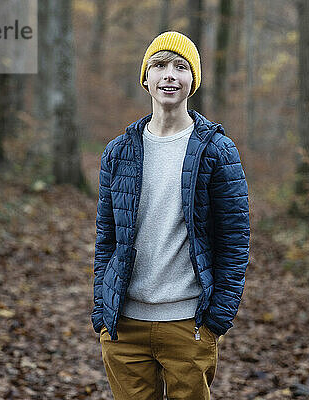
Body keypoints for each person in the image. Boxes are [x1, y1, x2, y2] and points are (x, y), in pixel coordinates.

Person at [91, 31, 250, 400]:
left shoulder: (217, 150)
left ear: (192, 81)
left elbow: (234, 240)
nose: (169, 75)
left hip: (188, 324)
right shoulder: (118, 152)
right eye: (159, 65)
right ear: (145, 77)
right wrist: (102, 312)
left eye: (181, 67)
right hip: (124, 326)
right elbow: (107, 238)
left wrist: (217, 319)